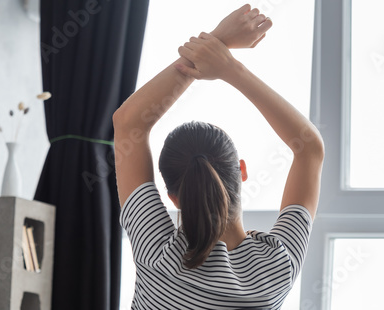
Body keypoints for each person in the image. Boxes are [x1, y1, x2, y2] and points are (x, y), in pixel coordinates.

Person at [112, 4, 325, 309]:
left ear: (174, 198)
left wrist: (218, 43)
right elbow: (310, 148)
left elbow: (128, 122)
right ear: (241, 171)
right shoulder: (277, 269)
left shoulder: (159, 254)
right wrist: (228, 67)